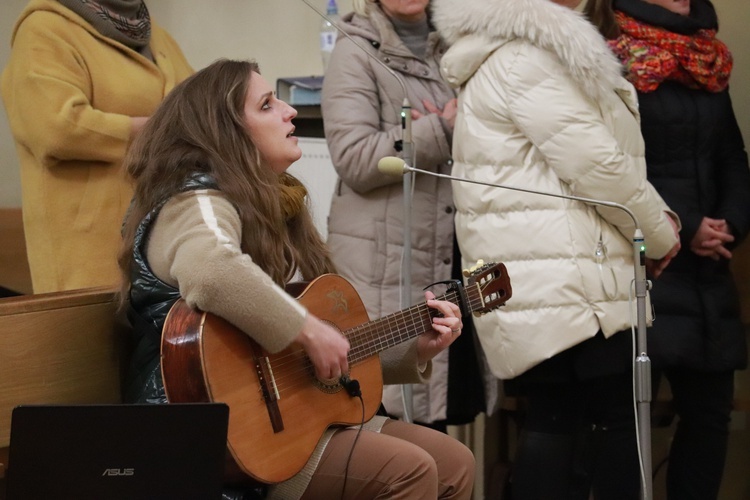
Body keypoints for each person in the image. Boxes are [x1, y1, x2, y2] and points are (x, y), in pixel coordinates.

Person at [117, 58, 475, 500]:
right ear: (224, 131)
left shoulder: (278, 203)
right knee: (408, 471)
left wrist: (414, 348)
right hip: (217, 435)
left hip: (290, 419)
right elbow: (211, 270)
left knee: (455, 463)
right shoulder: (194, 200)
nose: (289, 112)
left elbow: (310, 357)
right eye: (267, 105)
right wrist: (307, 330)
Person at [432, 0, 682, 498]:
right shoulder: (529, 57)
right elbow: (601, 168)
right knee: (599, 426)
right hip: (568, 282)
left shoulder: (509, 50)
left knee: (559, 421)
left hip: (547, 277)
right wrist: (660, 232)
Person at [321, 0, 496, 430]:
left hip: (446, 251)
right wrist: (441, 128)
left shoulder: (457, 45)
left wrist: (421, 132)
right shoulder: (355, 47)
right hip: (385, 265)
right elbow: (356, 158)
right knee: (388, 421)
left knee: (440, 419)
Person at [607, 1, 750, 498]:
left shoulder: (706, 59)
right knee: (628, 418)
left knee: (710, 416)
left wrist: (730, 223)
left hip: (710, 271)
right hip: (646, 266)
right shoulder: (612, 56)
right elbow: (615, 167)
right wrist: (685, 227)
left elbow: (732, 155)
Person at [1, 0, 193, 293]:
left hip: (167, 238)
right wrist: (160, 131)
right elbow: (55, 129)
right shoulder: (43, 28)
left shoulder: (158, 36)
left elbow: (201, 108)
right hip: (89, 251)